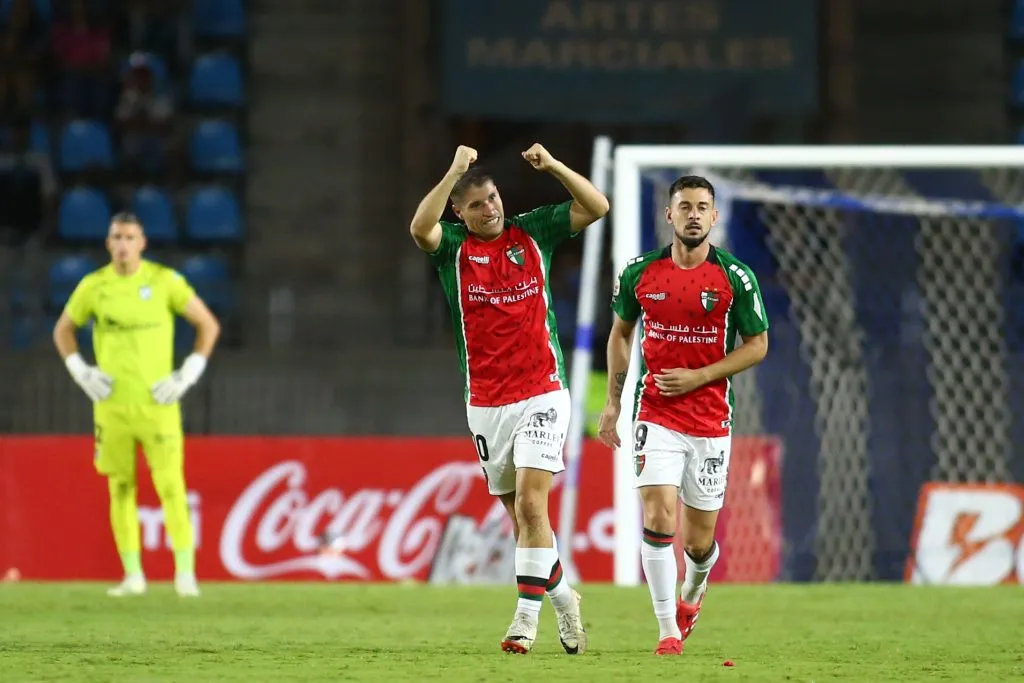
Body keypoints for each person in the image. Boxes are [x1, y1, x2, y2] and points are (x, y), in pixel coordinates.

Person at [410, 144, 609, 654]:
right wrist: (453, 169)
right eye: (476, 204)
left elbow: (597, 207)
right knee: (523, 522)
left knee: (531, 502)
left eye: (493, 198)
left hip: (542, 391)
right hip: (485, 403)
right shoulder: (453, 247)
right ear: (461, 211)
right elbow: (419, 229)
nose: (489, 209)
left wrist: (557, 167)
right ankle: (566, 601)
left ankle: (524, 620)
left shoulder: (533, 232)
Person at [598, 175, 769, 656]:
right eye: (685, 206)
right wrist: (613, 401)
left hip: (711, 422)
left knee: (698, 544)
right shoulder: (639, 273)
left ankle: (693, 591)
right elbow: (620, 334)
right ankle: (666, 630)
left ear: (714, 217)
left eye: (702, 207)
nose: (693, 214)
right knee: (657, 514)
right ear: (669, 215)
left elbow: (758, 346)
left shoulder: (735, 278)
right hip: (655, 412)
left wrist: (699, 377)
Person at [52, 213, 221, 598]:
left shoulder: (164, 282)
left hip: (157, 405)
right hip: (111, 407)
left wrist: (188, 373)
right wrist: (80, 371)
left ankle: (185, 575)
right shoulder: (94, 287)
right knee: (120, 488)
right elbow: (63, 328)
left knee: (171, 488)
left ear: (143, 242)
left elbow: (208, 325)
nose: (124, 244)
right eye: (117, 237)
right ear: (108, 243)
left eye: (130, 236)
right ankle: (133, 576)